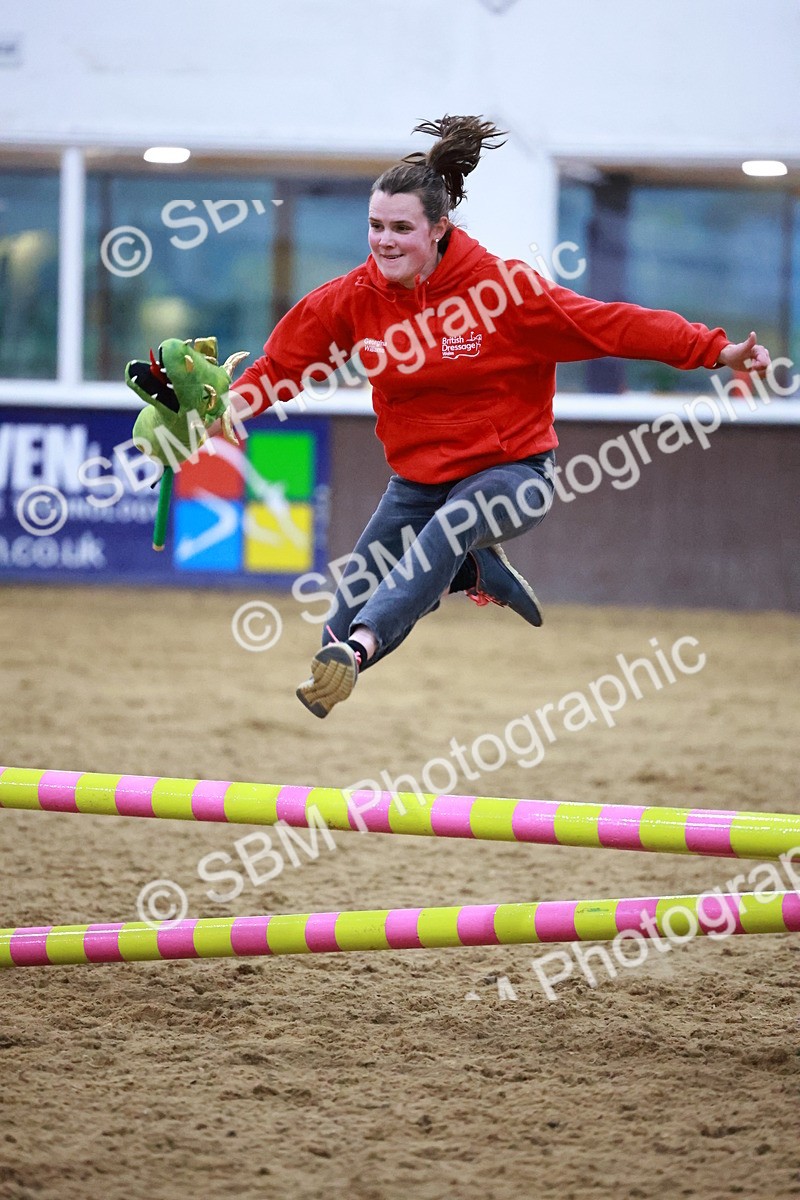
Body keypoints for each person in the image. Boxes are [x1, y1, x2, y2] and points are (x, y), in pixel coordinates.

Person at [228, 115, 771, 718]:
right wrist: (228, 406)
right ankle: (435, 591)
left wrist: (715, 350)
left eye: (401, 228)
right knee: (339, 621)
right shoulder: (352, 299)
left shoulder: (502, 293)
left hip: (514, 476)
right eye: (375, 226)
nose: (384, 241)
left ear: (439, 229)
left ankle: (365, 644)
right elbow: (281, 367)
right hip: (416, 484)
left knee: (448, 530)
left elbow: (612, 324)